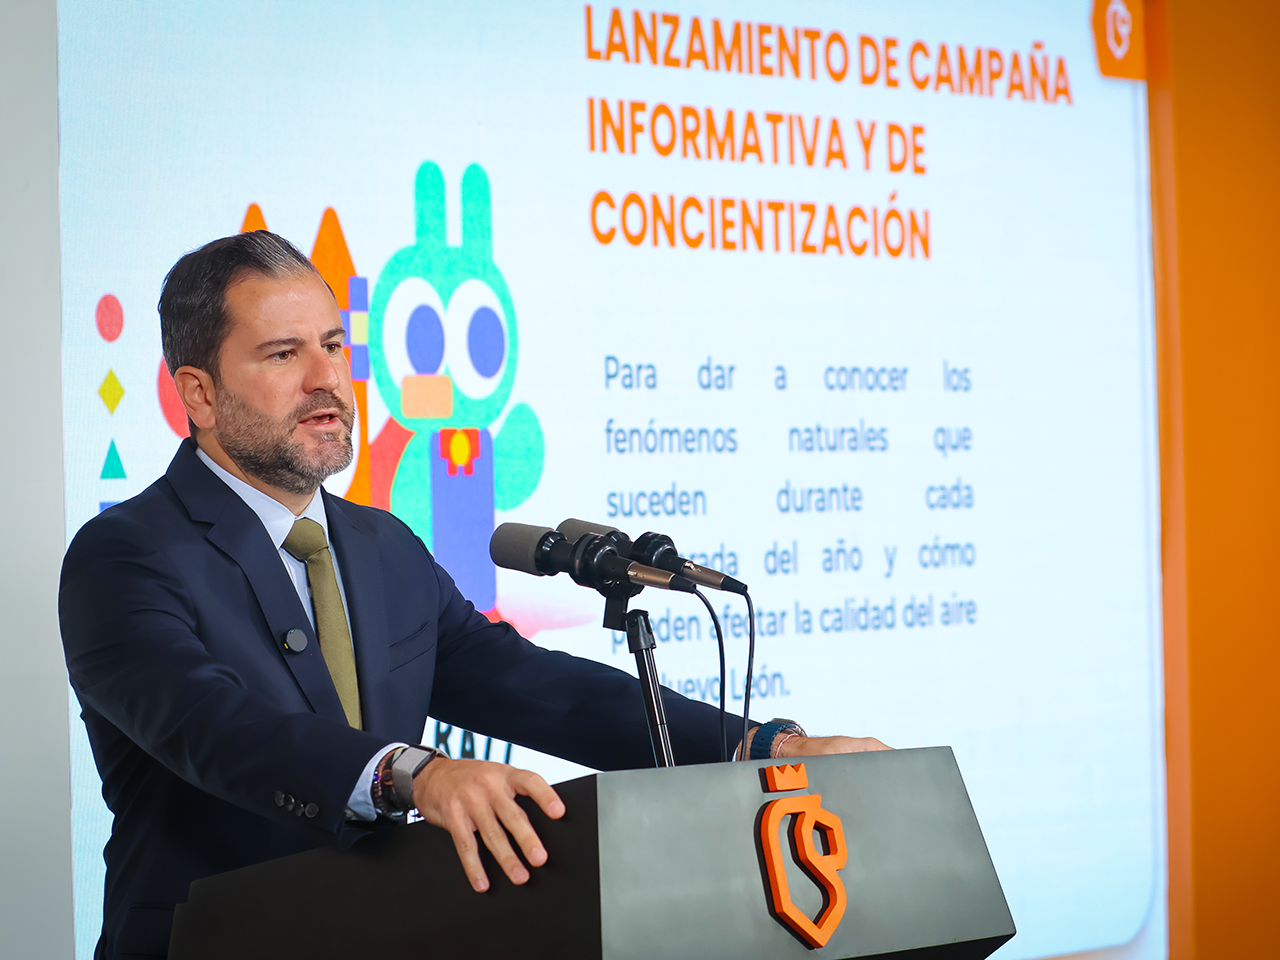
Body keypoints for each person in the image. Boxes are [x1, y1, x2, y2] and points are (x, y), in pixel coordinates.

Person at [59, 231, 889, 959]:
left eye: (334, 345)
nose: (326, 379)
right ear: (198, 393)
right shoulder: (125, 556)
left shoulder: (381, 545)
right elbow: (214, 727)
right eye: (283, 355)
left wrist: (762, 748)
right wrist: (413, 774)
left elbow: (539, 689)